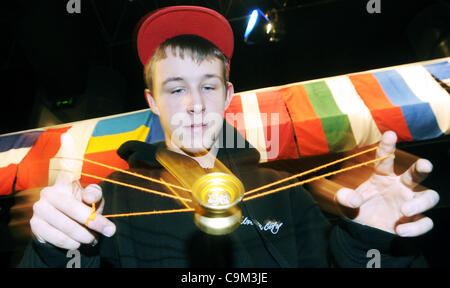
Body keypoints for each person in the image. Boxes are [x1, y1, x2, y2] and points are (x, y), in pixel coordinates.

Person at [19, 5, 440, 268]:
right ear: (152, 101)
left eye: (208, 86)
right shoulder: (109, 198)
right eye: (176, 88)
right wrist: (51, 251)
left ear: (227, 96)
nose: (195, 103)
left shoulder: (283, 190)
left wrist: (376, 243)